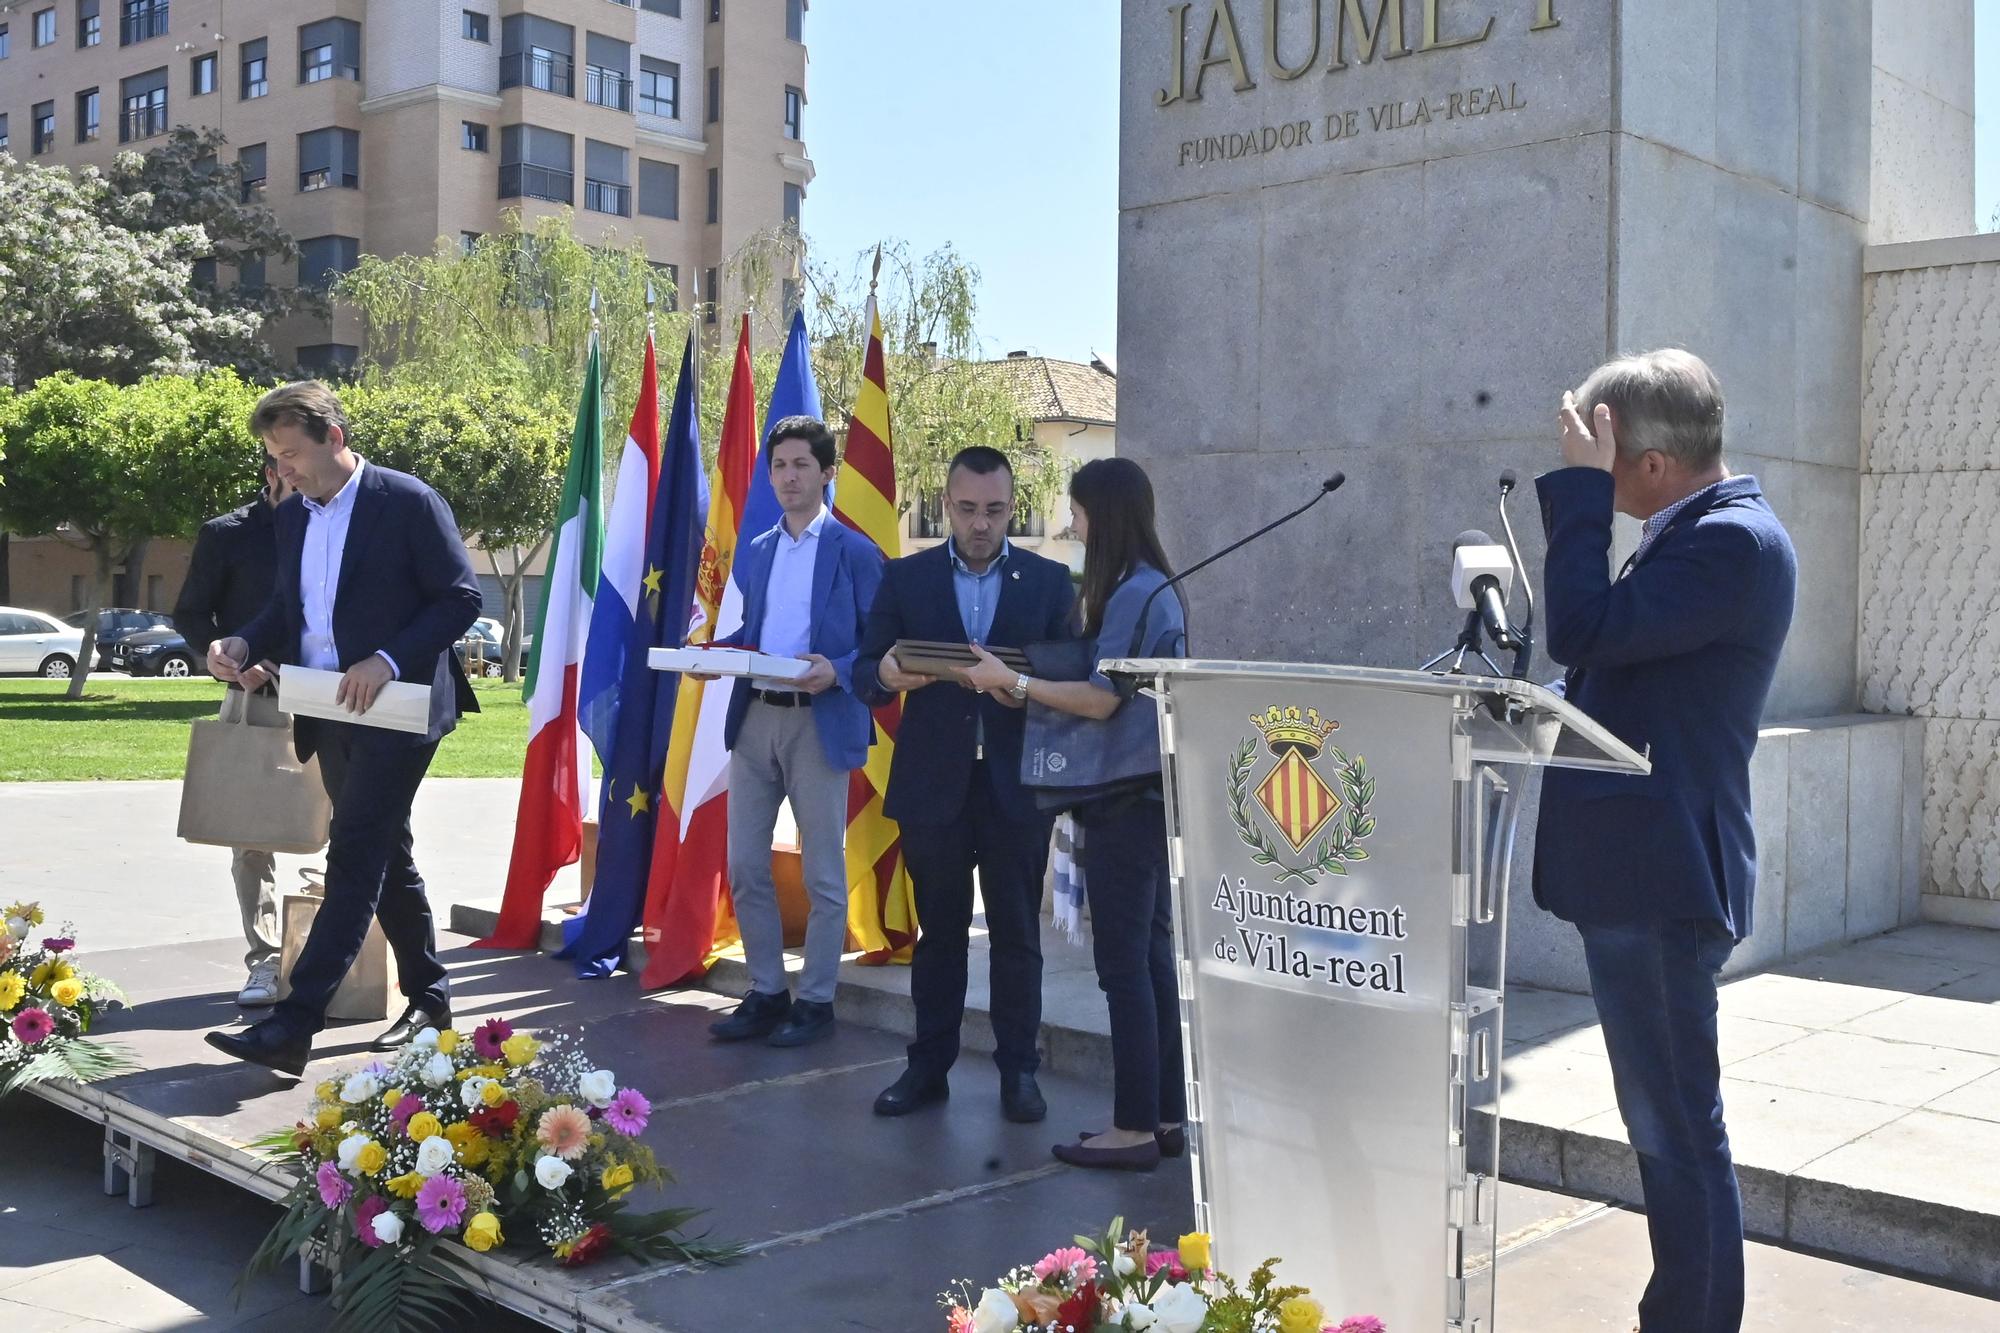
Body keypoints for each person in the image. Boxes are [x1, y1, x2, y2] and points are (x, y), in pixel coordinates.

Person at [1534, 349, 1796, 1333]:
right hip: (1641, 875)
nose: (1595, 479)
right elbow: (1623, 670)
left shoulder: (1728, 541)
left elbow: (1580, 626)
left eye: (1603, 462)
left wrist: (1570, 496)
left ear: (1645, 466)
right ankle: (1676, 1310)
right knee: (1666, 1128)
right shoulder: (1693, 534)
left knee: (1678, 1130)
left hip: (1662, 882)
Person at [203, 381, 483, 1076]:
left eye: (291, 452)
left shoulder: (407, 501)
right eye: (273, 456)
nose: (282, 469)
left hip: (400, 710)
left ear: (334, 435)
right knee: (387, 853)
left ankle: (293, 1024)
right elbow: (286, 610)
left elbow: (459, 599)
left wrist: (386, 660)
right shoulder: (293, 515)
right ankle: (431, 996)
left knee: (354, 852)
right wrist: (241, 644)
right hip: (324, 709)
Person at [962, 457, 1187, 1171]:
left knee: (1124, 965)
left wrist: (1017, 682)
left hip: (1125, 797)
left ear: (1106, 514)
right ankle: (1164, 1116)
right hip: (1151, 792)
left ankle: (1131, 1127)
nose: (1072, 524)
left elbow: (1100, 698)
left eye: (1079, 510)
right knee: (1150, 960)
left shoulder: (1131, 594)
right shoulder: (1156, 587)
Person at [854, 446, 1076, 1124]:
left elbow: (1070, 683)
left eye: (997, 510)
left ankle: (1019, 1074)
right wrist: (888, 674)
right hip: (932, 787)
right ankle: (927, 1067)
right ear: (946, 504)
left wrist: (1022, 692)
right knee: (941, 934)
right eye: (969, 508)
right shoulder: (907, 577)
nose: (982, 523)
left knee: (1016, 934)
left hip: (1015, 787)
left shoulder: (1048, 581)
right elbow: (865, 669)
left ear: (1014, 507)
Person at [703, 416, 884, 1049]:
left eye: (801, 465)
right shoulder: (757, 551)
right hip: (756, 720)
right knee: (746, 864)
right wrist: (707, 655)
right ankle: (765, 992)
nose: (788, 477)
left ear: (828, 473)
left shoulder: (857, 553)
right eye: (779, 466)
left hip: (820, 723)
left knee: (822, 875)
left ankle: (816, 1001)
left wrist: (835, 671)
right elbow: (752, 636)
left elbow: (880, 650)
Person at [173, 455, 293, 1008]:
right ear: (269, 471)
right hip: (251, 701)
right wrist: (215, 653)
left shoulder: (338, 529)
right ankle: (266, 960)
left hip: (334, 699)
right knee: (250, 839)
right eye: (288, 467)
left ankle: (330, 956)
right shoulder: (226, 534)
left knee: (350, 836)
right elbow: (192, 613)